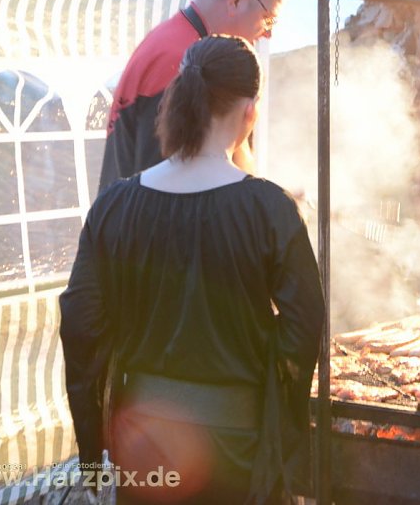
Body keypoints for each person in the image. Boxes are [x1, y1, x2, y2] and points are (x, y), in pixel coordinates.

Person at [60, 35, 325, 504]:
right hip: (236, 448)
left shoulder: (114, 206)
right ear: (250, 112)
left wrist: (93, 454)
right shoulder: (269, 210)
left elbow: (81, 326)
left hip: (142, 447)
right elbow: (303, 330)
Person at [97, 0, 285, 191]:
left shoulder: (177, 44)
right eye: (269, 18)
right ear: (237, 0)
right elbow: (167, 194)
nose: (268, 33)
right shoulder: (178, 59)